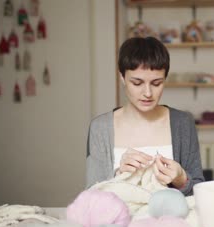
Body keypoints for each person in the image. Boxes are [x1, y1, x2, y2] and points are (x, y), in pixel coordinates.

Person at [85, 36, 204, 196]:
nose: (147, 93)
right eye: (137, 83)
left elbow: (199, 192)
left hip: (169, 219)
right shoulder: (101, 128)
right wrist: (118, 175)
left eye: (156, 83)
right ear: (122, 77)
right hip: (119, 220)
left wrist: (181, 178)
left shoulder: (182, 123)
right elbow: (91, 196)